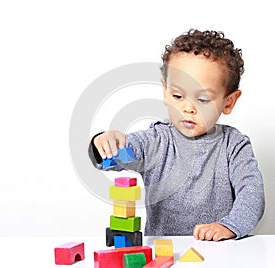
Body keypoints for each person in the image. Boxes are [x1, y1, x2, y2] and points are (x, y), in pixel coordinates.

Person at [89, 29, 265, 241]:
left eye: (203, 100)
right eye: (178, 95)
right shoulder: (155, 141)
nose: (188, 108)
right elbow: (117, 156)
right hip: (165, 251)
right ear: (165, 92)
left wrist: (230, 226)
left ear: (229, 102)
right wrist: (106, 144)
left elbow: (252, 194)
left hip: (220, 250)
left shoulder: (234, 145)